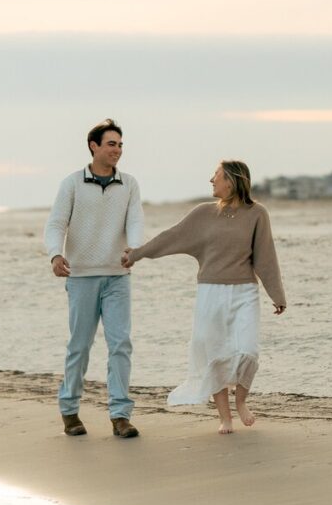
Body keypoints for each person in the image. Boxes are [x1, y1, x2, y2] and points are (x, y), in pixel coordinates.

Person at [122, 160, 286, 434]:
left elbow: (266, 257)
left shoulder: (257, 214)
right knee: (215, 355)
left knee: (248, 350)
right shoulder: (202, 214)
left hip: (244, 291)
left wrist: (277, 293)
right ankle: (225, 417)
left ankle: (241, 401)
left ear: (231, 181)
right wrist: (137, 254)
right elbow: (170, 237)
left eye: (217, 176)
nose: (211, 180)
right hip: (211, 293)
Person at [44, 118, 144, 438]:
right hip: (82, 276)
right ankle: (70, 410)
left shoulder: (129, 184)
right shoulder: (72, 183)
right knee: (80, 346)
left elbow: (135, 221)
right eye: (111, 144)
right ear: (94, 146)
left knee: (120, 345)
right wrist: (55, 254)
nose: (117, 150)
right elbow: (56, 224)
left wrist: (134, 249)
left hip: (117, 276)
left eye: (120, 145)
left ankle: (120, 415)